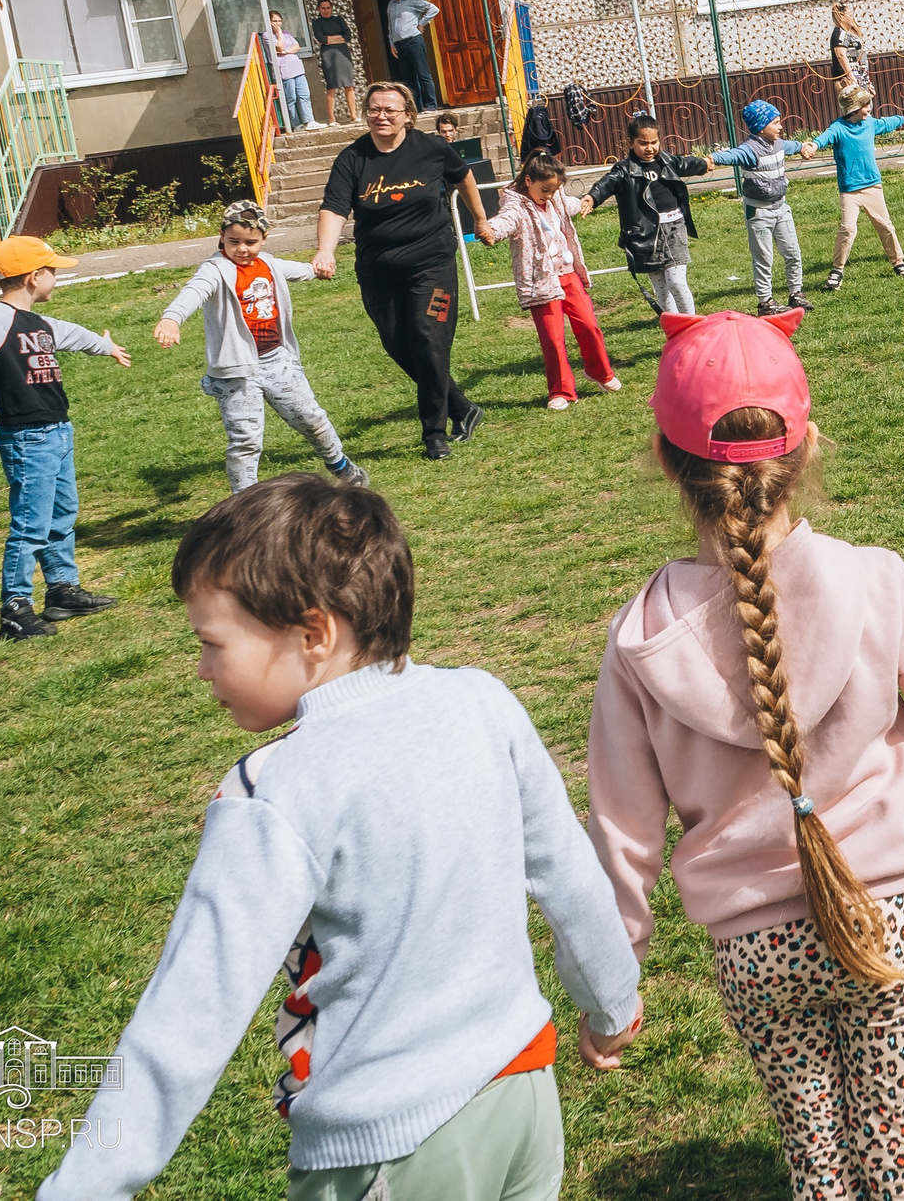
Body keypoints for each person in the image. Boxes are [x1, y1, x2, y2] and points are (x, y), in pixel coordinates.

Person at [582, 308, 904, 1199]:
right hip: (886, 919)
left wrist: (614, 973)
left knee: (820, 1168)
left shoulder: (640, 634)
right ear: (810, 446)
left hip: (754, 950)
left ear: (667, 461)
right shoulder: (876, 581)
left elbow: (622, 829)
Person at [35, 475, 644, 1201]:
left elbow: (187, 1016)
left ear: (314, 632)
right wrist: (613, 1003)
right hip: (523, 1103)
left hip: (387, 1150)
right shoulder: (482, 698)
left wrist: (80, 1188)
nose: (200, 669)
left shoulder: (275, 787)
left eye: (211, 642)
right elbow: (568, 875)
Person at [0, 236, 132, 643]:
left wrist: (103, 346)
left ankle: (62, 590)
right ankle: (15, 609)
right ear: (35, 277)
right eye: (53, 272)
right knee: (30, 524)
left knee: (62, 514)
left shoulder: (41, 322)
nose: (56, 279)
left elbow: (71, 334)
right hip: (27, 437)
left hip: (57, 430)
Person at [313, 83, 490, 461]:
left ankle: (435, 433)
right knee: (398, 344)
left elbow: (464, 176)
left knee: (428, 338)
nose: (382, 116)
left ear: (407, 114)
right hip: (378, 271)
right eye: (374, 109)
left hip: (432, 264)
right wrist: (325, 251)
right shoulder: (352, 158)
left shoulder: (431, 148)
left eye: (390, 110)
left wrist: (480, 219)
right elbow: (333, 207)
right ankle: (463, 407)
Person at [153, 201, 369, 494]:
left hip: (277, 360)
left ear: (264, 240)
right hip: (235, 372)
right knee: (245, 440)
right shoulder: (215, 270)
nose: (242, 249)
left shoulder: (268, 263)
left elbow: (298, 270)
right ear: (221, 236)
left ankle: (338, 463)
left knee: (311, 418)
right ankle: (244, 503)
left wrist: (317, 269)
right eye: (234, 242)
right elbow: (193, 292)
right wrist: (171, 319)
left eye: (250, 243)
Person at [476, 154, 619, 410]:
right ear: (528, 180)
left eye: (554, 190)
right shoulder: (516, 205)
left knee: (589, 325)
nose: (549, 196)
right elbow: (505, 221)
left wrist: (590, 200)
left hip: (568, 274)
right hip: (542, 280)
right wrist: (491, 231)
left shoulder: (556, 197)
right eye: (544, 190)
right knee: (553, 338)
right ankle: (560, 390)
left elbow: (569, 205)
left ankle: (599, 372)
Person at [590, 114, 713, 316]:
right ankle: (674, 329)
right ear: (630, 142)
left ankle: (693, 324)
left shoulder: (666, 161)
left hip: (673, 226)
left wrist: (703, 164)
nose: (649, 148)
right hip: (645, 235)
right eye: (643, 143)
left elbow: (685, 164)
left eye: (654, 142)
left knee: (676, 282)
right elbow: (607, 183)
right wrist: (593, 197)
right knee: (661, 289)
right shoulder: (623, 170)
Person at [710, 100, 813, 316]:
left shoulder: (779, 144)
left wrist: (803, 146)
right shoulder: (750, 150)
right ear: (760, 127)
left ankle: (796, 294)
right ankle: (765, 303)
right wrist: (712, 159)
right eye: (775, 123)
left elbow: (793, 146)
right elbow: (732, 155)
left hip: (781, 208)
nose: (780, 127)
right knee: (764, 258)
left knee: (792, 252)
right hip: (759, 213)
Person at [808, 99, 904, 285]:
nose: (868, 110)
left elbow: (886, 122)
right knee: (848, 229)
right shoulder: (838, 128)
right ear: (853, 109)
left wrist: (902, 120)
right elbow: (824, 138)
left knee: (885, 225)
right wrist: (814, 145)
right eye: (865, 106)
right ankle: (837, 269)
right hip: (850, 191)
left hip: (872, 186)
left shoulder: (869, 123)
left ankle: (898, 263)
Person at [381, 0, 442, 113]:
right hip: (399, 44)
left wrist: (422, 23)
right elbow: (390, 26)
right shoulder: (391, 4)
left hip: (414, 40)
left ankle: (431, 104)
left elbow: (433, 9)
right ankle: (417, 107)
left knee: (423, 73)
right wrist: (392, 43)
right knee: (408, 77)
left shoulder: (412, 0)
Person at [311, 0, 357, 128]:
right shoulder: (317, 22)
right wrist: (338, 38)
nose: (326, 10)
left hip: (343, 53)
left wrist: (330, 39)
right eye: (323, 8)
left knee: (349, 85)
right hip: (328, 55)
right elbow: (321, 38)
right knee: (331, 87)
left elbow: (347, 36)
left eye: (328, 8)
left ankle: (353, 115)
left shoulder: (339, 19)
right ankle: (331, 118)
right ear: (319, 9)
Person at [268, 11, 317, 132]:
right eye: (275, 21)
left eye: (279, 21)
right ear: (269, 22)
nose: (278, 23)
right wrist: (279, 33)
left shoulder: (287, 34)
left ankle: (309, 120)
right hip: (284, 70)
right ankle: (295, 124)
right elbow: (278, 47)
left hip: (297, 68)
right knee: (291, 97)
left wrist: (286, 51)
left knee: (304, 95)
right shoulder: (267, 36)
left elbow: (297, 46)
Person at [826, 1, 873, 116]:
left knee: (866, 108)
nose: (852, 18)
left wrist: (867, 82)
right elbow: (840, 55)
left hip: (859, 77)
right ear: (841, 16)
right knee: (858, 112)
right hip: (850, 79)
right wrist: (851, 77)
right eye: (850, 15)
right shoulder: (839, 33)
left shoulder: (847, 33)